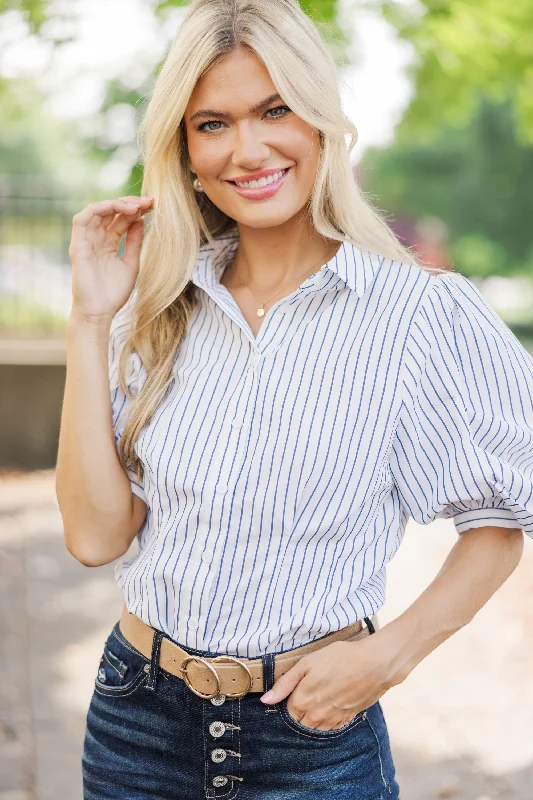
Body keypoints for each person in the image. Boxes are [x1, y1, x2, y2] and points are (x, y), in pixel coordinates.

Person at [55, 1, 531, 797]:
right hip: (135, 718)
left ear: (320, 122)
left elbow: (502, 518)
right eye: (212, 123)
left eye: (274, 109)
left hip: (310, 738)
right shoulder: (157, 308)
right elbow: (97, 536)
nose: (248, 148)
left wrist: (389, 657)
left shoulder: (420, 315)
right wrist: (89, 315)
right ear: (184, 148)